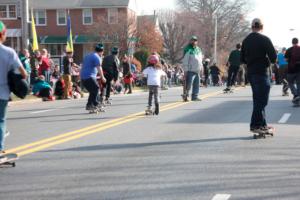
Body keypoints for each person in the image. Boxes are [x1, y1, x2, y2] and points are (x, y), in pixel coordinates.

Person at [241, 18, 277, 134]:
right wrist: (266, 59)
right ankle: (255, 125)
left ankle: (262, 124)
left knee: (257, 99)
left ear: (252, 27)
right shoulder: (265, 39)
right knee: (262, 100)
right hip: (262, 72)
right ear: (262, 27)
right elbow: (273, 58)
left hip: (251, 73)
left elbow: (242, 59)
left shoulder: (246, 40)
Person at [0, 21, 27, 155]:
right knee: (0, 120)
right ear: (2, 34)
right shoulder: (9, 52)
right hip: (2, 93)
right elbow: (23, 73)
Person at [80, 43, 106, 111]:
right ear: (102, 51)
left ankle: (96, 104)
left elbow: (83, 67)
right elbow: (99, 67)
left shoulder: (88, 55)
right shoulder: (96, 57)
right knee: (96, 89)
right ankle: (89, 105)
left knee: (93, 91)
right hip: (89, 76)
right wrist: (102, 77)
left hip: (84, 77)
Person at [182, 36, 203, 101]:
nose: (194, 41)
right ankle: (186, 96)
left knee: (197, 84)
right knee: (188, 84)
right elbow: (185, 61)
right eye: (193, 40)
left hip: (197, 70)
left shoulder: (198, 49)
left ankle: (194, 96)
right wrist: (185, 71)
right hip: (190, 70)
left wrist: (202, 68)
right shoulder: (187, 49)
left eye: (195, 40)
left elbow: (200, 60)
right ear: (190, 41)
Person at [285, 38, 300, 104]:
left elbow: (286, 59)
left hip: (291, 70)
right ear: (298, 42)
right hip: (299, 70)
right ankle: (298, 96)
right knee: (299, 83)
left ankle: (295, 94)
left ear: (292, 42)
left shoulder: (289, 50)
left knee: (290, 83)